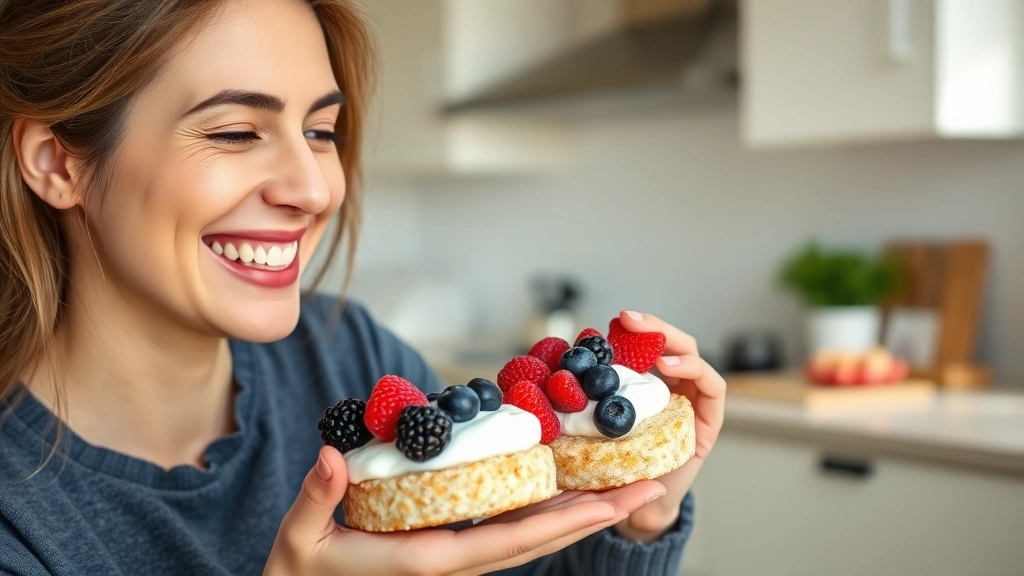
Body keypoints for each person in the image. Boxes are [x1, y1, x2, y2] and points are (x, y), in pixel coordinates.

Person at [0, 0, 726, 574]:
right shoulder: (18, 515)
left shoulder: (346, 353)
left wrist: (634, 512)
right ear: (57, 164)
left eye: (321, 132)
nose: (314, 188)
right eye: (233, 133)